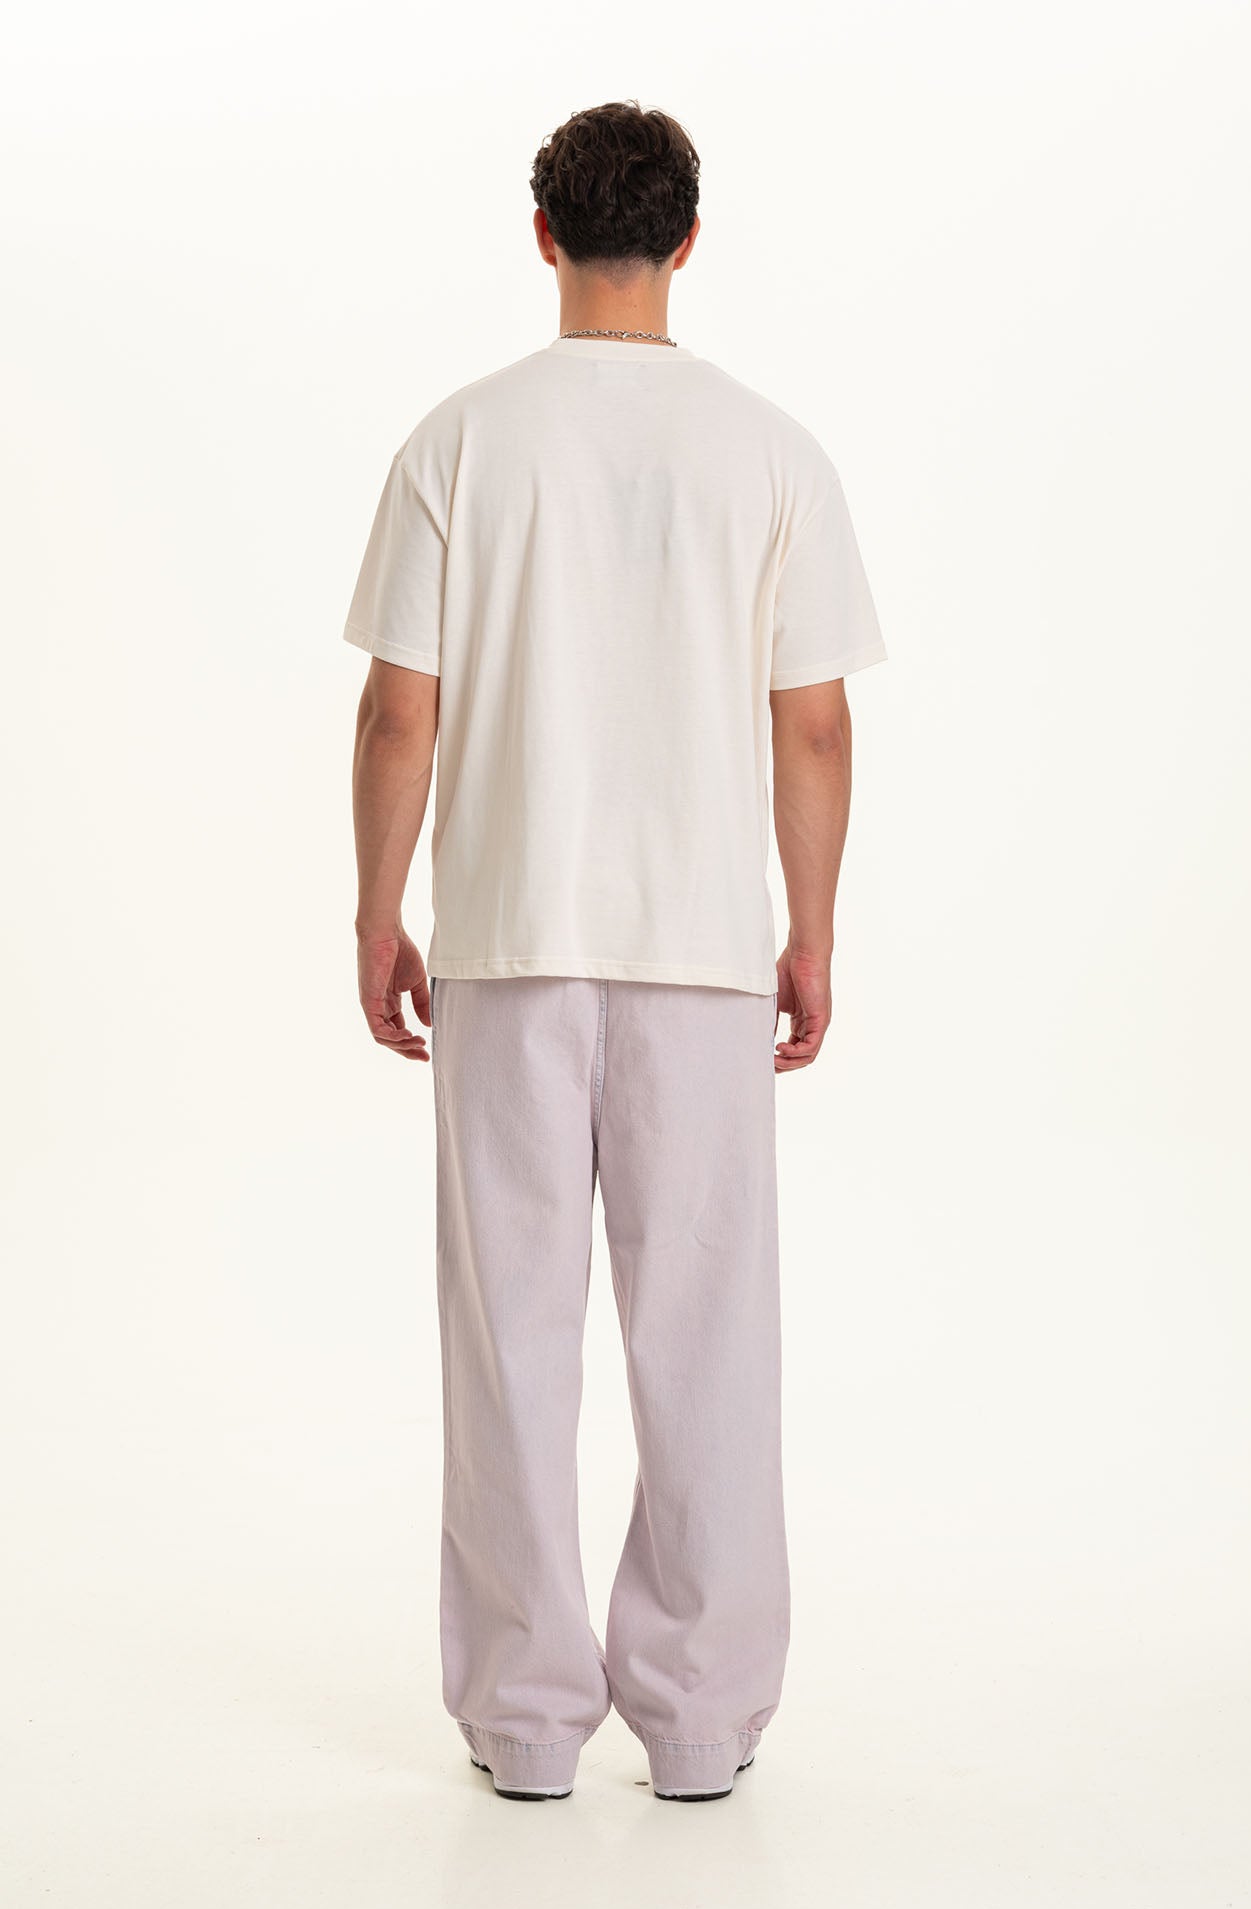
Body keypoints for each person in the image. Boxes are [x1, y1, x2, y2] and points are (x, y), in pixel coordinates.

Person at [343, 100, 886, 1804]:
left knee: (508, 1335)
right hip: (702, 953)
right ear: (690, 240)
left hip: (507, 939)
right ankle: (703, 1719)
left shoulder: (460, 441)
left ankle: (523, 1721)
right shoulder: (772, 454)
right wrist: (811, 928)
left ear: (544, 233)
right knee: (705, 1334)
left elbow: (400, 710)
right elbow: (813, 725)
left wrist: (377, 908)